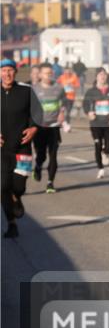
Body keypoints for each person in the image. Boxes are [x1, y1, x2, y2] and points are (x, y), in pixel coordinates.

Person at [1, 59, 40, 238]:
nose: (7, 74)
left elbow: (38, 114)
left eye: (10, 70)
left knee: (18, 187)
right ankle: (11, 224)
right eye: (3, 70)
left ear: (15, 72)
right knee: (2, 187)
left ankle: (17, 197)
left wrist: (33, 128)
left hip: (22, 148)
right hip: (1, 151)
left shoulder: (26, 91)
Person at [31, 63, 70, 193]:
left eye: (50, 73)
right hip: (40, 127)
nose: (48, 75)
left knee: (53, 155)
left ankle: (50, 183)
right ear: (40, 74)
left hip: (54, 126)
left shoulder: (58, 88)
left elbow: (64, 102)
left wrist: (62, 112)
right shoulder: (34, 89)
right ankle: (37, 166)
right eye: (46, 73)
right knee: (41, 155)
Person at [82, 68, 109, 179]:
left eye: (104, 74)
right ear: (96, 77)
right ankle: (100, 169)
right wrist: (88, 113)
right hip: (96, 123)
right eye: (100, 74)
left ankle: (106, 152)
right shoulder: (91, 92)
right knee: (97, 145)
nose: (102, 76)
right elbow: (85, 104)